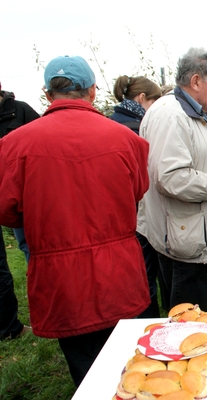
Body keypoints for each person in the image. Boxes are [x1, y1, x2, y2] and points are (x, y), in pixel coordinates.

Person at [0, 55, 150, 386]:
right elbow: (138, 191)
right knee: (134, 365)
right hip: (119, 273)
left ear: (47, 94)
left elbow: (7, 210)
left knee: (86, 368)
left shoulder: (14, 145)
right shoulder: (128, 139)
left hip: (62, 280)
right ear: (93, 91)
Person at [136, 48, 207, 314]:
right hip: (185, 242)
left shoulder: (189, 112)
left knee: (205, 312)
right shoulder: (172, 115)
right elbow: (171, 178)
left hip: (195, 235)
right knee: (190, 319)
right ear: (196, 81)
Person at [110, 75, 166, 317]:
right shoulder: (137, 128)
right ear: (143, 98)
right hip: (139, 210)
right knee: (147, 271)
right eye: (156, 101)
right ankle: (149, 320)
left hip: (120, 212)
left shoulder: (111, 122)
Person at [0, 83, 38, 341]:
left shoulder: (21, 112)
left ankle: (40, 297)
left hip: (25, 197)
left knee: (31, 248)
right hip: (7, 198)